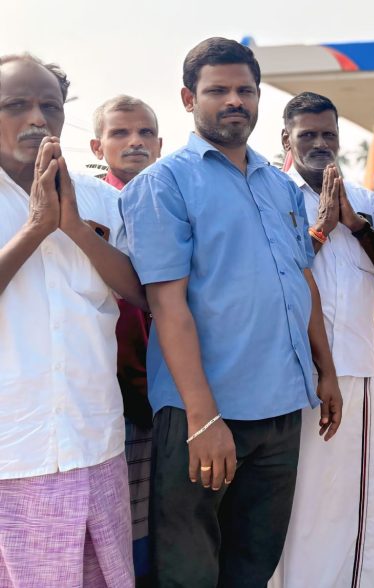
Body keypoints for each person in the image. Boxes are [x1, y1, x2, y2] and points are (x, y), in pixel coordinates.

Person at [120, 38, 343, 586]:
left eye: (245, 90)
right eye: (217, 90)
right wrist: (203, 419)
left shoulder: (279, 186)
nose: (234, 101)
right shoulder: (163, 185)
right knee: (190, 571)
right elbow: (167, 306)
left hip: (281, 407)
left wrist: (326, 370)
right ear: (188, 98)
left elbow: (302, 280)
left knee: (253, 565)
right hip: (205, 412)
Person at [0, 53, 146, 587]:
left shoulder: (100, 199)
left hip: (94, 438)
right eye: (16, 105)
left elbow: (141, 293)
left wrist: (77, 231)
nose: (37, 119)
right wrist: (37, 228)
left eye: (51, 107)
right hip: (14, 452)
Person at [270, 92, 374, 587]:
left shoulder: (364, 201)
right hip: (291, 377)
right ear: (286, 139)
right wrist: (320, 230)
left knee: (353, 501)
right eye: (308, 135)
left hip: (356, 373)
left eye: (329, 135)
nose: (320, 143)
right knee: (295, 500)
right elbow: (275, 277)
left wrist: (355, 226)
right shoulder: (269, 196)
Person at [90, 94, 162, 584]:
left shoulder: (171, 203)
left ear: (160, 144)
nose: (134, 141)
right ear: (98, 146)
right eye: (119, 133)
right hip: (117, 396)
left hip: (175, 390)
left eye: (144, 133)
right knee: (127, 529)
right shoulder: (89, 208)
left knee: (166, 518)